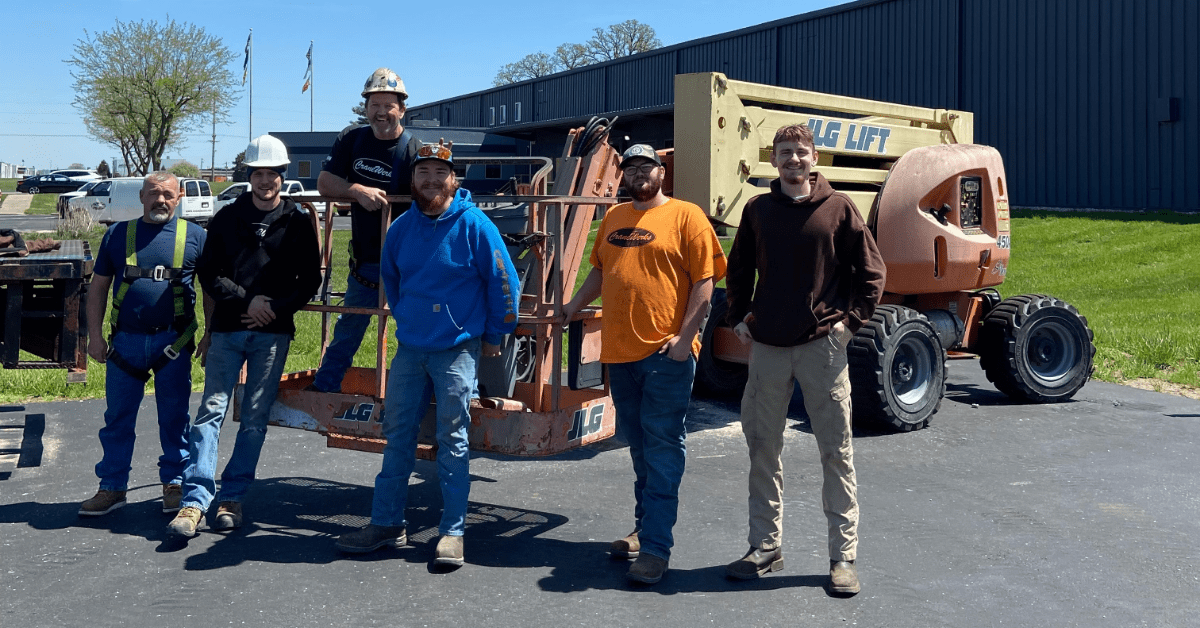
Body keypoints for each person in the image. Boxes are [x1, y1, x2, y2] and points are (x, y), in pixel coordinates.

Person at [334, 141, 519, 568]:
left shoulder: (475, 225)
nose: (432, 181)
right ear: (413, 180)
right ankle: (386, 524)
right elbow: (392, 281)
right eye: (423, 173)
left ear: (454, 179)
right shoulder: (400, 229)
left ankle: (452, 532)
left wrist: (495, 335)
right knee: (396, 436)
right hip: (411, 351)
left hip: (456, 352)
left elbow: (503, 283)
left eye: (440, 173)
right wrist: (409, 320)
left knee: (452, 441)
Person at [722, 123, 886, 595]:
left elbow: (872, 272)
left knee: (836, 452)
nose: (794, 159)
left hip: (822, 347)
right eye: (784, 152)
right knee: (763, 450)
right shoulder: (758, 210)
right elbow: (739, 269)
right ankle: (765, 547)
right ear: (772, 160)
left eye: (801, 151)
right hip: (768, 349)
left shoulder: (838, 209)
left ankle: (843, 557)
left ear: (815, 158)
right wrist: (738, 316)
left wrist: (849, 324)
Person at [562, 144, 727, 585]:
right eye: (630, 168)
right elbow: (600, 270)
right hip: (620, 355)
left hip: (665, 356)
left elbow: (705, 283)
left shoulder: (686, 216)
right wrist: (573, 306)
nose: (638, 174)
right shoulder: (615, 218)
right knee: (639, 446)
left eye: (646, 167)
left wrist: (685, 339)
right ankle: (643, 528)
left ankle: (656, 547)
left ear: (661, 172)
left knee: (663, 446)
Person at [167, 135, 321, 538]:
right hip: (230, 330)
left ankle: (232, 498)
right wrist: (249, 301)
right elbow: (210, 274)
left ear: (282, 176)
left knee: (254, 419)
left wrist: (274, 307)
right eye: (258, 173)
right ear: (249, 175)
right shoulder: (226, 218)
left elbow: (310, 278)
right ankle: (194, 501)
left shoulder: (298, 222)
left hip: (273, 334)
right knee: (210, 412)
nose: (265, 180)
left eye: (272, 173)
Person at [78, 172, 209, 517]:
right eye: (153, 194)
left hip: (174, 343)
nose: (160, 201)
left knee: (175, 418)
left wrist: (210, 335)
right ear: (141, 197)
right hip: (126, 344)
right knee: (117, 419)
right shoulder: (118, 235)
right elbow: (99, 288)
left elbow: (211, 292)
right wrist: (94, 335)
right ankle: (112, 487)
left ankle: (175, 483)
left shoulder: (195, 236)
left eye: (167, 195)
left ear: (179, 197)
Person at [308, 67, 422, 394]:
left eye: (388, 105)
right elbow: (325, 183)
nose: (381, 112)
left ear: (401, 109)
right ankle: (324, 390)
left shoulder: (414, 150)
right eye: (374, 105)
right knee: (348, 330)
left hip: (406, 264)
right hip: (366, 263)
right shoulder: (352, 139)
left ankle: (407, 394)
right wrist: (355, 189)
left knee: (414, 332)